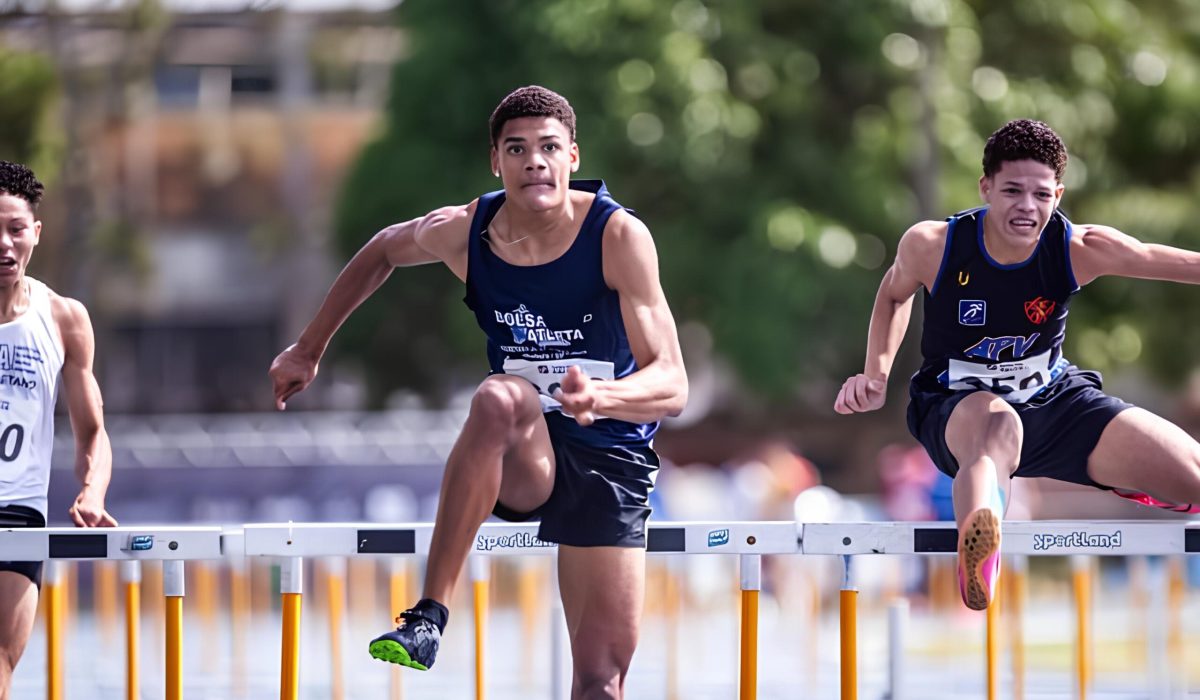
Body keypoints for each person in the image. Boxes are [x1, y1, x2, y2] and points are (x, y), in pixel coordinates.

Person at [269, 85, 687, 698]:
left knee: (600, 683)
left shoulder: (617, 237)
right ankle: (429, 617)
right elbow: (383, 248)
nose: (534, 162)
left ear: (573, 156)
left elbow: (672, 382)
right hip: (523, 451)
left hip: (608, 451)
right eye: (516, 149)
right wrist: (309, 348)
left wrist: (602, 399)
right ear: (496, 161)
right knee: (499, 396)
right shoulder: (467, 232)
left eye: (548, 148)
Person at [834, 119, 1200, 610]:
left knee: (1192, 470)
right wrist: (876, 372)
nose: (1027, 208)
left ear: (1059, 194)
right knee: (998, 427)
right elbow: (894, 294)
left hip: (1055, 398)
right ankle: (980, 552)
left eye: (1041, 195)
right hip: (957, 403)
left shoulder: (1078, 248)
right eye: (1012, 191)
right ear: (986, 187)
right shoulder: (934, 244)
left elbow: (1165, 260)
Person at [0, 161, 118, 696]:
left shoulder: (64, 317)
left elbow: (92, 431)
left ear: (35, 234)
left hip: (19, 507)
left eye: (15, 230)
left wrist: (92, 491)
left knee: (0, 658)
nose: (4, 245)